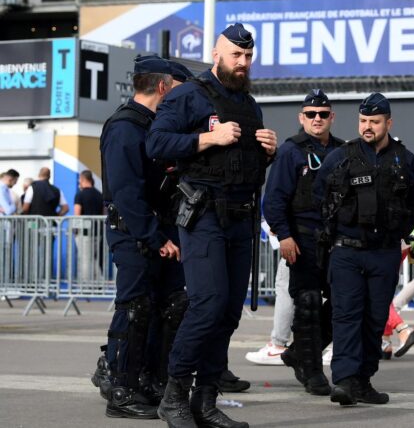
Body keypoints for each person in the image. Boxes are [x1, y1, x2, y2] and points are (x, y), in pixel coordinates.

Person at [147, 24, 277, 428]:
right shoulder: (188, 95)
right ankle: (174, 397)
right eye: (236, 55)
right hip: (203, 215)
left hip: (241, 218)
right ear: (216, 53)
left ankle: (205, 401)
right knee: (207, 304)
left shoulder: (250, 104)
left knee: (227, 312)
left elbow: (245, 165)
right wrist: (207, 138)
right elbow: (156, 144)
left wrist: (267, 152)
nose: (243, 63)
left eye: (248, 57)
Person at [314, 92, 414, 406]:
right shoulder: (342, 156)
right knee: (346, 316)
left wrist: (400, 231)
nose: (367, 127)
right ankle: (346, 381)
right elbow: (319, 194)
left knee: (375, 318)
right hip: (347, 251)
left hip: (384, 251)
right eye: (363, 121)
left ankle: (363, 380)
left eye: (374, 122)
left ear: (388, 123)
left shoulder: (405, 160)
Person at [96, 54, 184, 420]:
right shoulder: (125, 128)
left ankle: (145, 379)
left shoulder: (151, 126)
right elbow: (127, 194)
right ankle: (120, 387)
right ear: (162, 86)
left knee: (163, 308)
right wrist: (154, 236)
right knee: (134, 310)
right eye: (177, 91)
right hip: (134, 233)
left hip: (156, 231)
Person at [261, 89, 344, 396]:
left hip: (335, 242)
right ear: (302, 117)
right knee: (307, 304)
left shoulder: (342, 151)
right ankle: (311, 371)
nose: (317, 119)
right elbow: (274, 200)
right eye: (311, 114)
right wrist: (284, 236)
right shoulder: (290, 151)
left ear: (331, 117)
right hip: (301, 240)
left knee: (343, 304)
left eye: (323, 114)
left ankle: (297, 353)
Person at [72, 170, 104, 280]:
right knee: (94, 258)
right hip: (98, 231)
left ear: (82, 179)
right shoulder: (99, 194)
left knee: (85, 258)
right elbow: (104, 213)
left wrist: (74, 230)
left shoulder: (80, 195)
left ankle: (86, 284)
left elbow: (77, 213)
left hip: (84, 232)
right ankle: (99, 282)